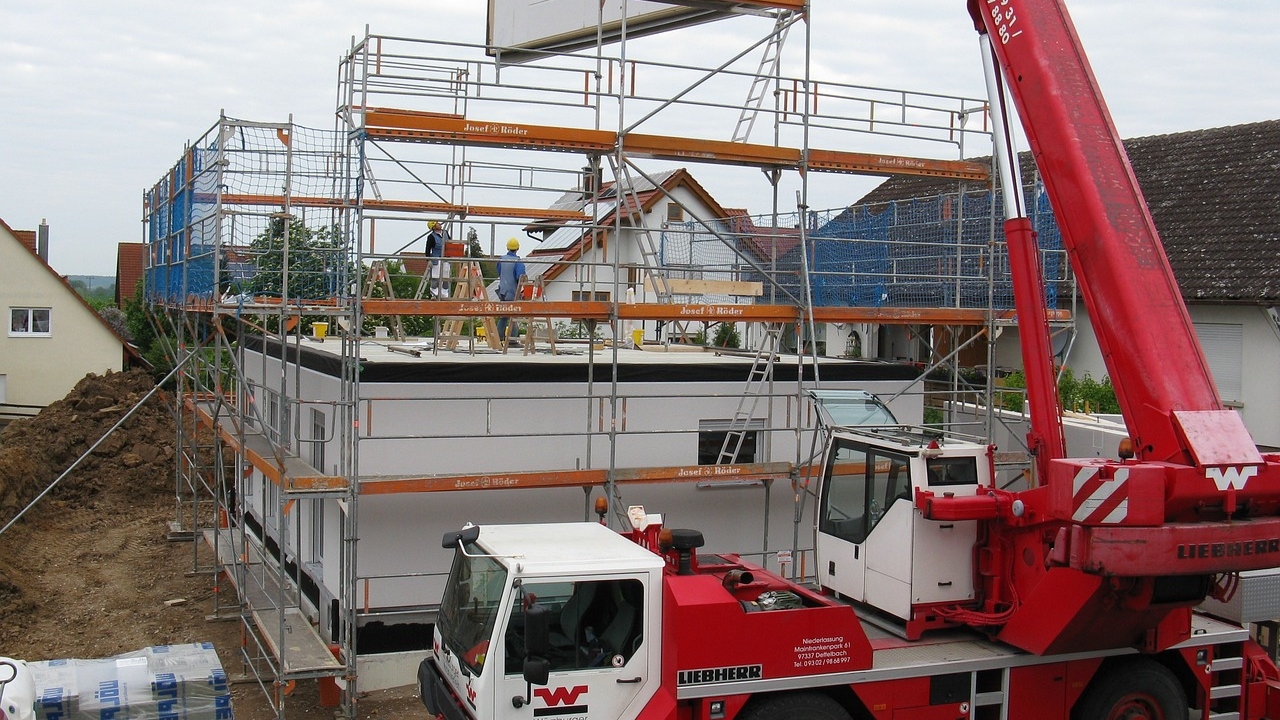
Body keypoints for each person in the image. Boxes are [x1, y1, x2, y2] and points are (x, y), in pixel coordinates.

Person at [495, 238, 527, 345]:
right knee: (513, 316)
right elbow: (520, 278)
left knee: (503, 316)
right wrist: (522, 292)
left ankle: (498, 339)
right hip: (513, 291)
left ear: (507, 247)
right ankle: (512, 341)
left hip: (502, 291)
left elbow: (499, 272)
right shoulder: (518, 262)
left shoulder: (501, 259)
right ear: (517, 248)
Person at [425, 220, 450, 298]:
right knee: (435, 277)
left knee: (446, 276)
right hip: (436, 258)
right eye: (437, 223)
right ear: (434, 226)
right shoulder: (431, 236)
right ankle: (433, 293)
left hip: (446, 258)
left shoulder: (445, 233)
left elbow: (450, 243)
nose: (439, 224)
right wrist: (428, 259)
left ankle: (444, 293)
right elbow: (428, 248)